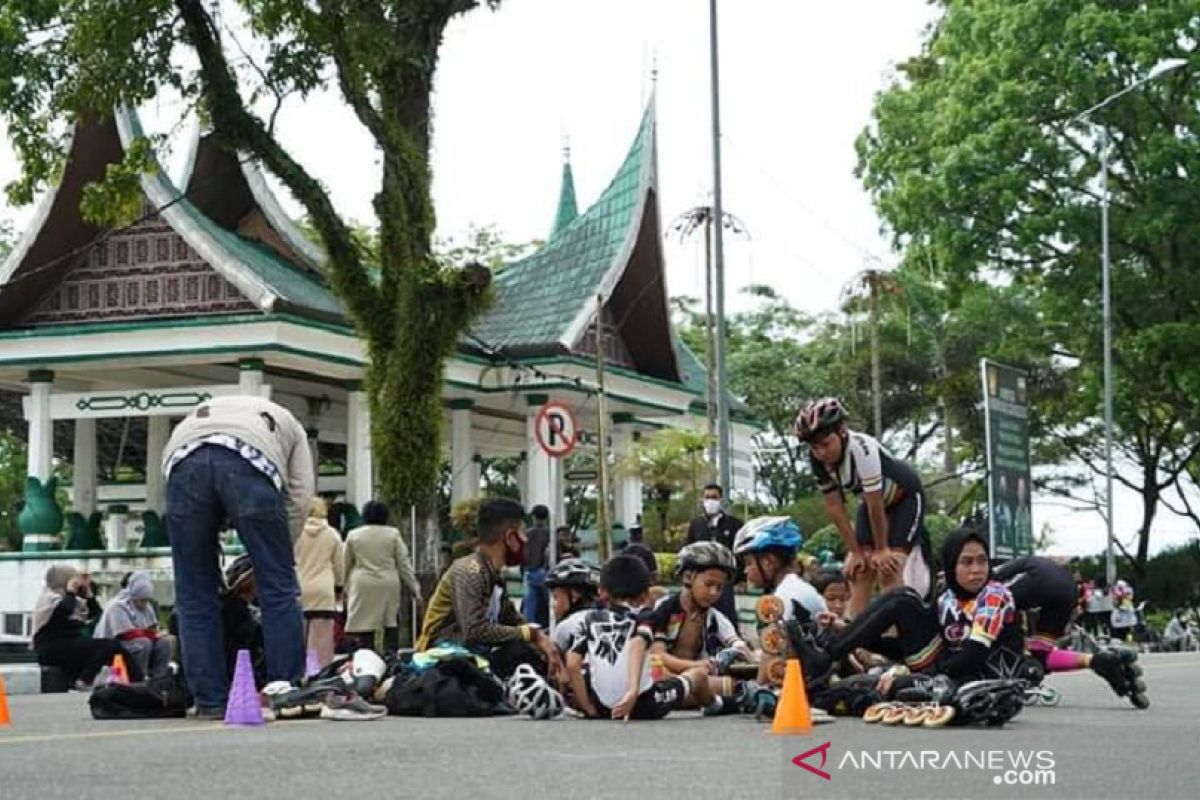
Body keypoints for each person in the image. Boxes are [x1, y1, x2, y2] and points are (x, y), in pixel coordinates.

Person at [163, 395, 312, 719]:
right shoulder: (292, 427)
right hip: (249, 459)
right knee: (279, 590)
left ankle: (210, 701)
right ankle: (284, 692)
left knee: (194, 596)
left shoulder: (198, 415)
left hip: (182, 459)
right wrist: (275, 556)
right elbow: (300, 497)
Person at [794, 525, 1027, 687]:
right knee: (903, 599)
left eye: (982, 561)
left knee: (904, 599)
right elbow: (905, 648)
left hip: (981, 679)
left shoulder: (994, 596)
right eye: (966, 562)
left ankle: (824, 657)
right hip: (944, 669)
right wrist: (850, 632)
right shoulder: (947, 598)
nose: (976, 570)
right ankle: (826, 653)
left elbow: (974, 656)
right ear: (951, 566)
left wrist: (923, 677)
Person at [795, 397, 932, 617]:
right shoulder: (817, 459)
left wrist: (882, 549)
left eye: (826, 443)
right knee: (859, 570)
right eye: (814, 446)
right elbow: (835, 508)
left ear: (841, 430)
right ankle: (853, 638)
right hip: (869, 505)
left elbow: (875, 504)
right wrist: (855, 551)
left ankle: (891, 638)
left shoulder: (861, 448)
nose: (821, 452)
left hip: (903, 499)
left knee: (889, 568)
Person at [416, 498, 559, 680]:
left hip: (475, 658)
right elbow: (474, 630)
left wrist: (541, 640)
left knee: (529, 654)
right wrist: (529, 634)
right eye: (522, 532)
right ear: (509, 537)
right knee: (519, 653)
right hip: (443, 660)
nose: (526, 540)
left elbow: (512, 619)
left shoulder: (494, 576)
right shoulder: (470, 570)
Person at [564, 555, 719, 719]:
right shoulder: (646, 616)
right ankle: (717, 704)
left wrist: (589, 708)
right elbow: (638, 643)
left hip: (604, 707)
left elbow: (572, 662)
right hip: (644, 703)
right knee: (697, 676)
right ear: (646, 593)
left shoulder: (590, 620)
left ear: (601, 591)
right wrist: (632, 691)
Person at [993, 556, 1148, 707]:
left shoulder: (988, 576)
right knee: (1040, 654)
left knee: (994, 627)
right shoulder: (1023, 563)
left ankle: (1021, 670)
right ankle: (1100, 661)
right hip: (1068, 589)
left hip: (1039, 582)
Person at [642, 541, 752, 712]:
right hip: (666, 675)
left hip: (698, 678)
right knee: (656, 673)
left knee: (732, 683)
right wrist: (695, 666)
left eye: (720, 588)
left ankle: (688, 697)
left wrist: (740, 652)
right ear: (688, 577)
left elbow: (738, 645)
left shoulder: (715, 617)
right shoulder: (664, 609)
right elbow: (658, 654)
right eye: (708, 585)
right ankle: (715, 700)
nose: (714, 593)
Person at [344, 500, 422, 654]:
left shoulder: (354, 535)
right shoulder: (393, 534)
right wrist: (415, 588)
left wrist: (341, 587)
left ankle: (367, 660)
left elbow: (345, 563)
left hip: (363, 583)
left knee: (364, 624)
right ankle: (390, 658)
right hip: (388, 582)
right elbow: (404, 563)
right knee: (390, 622)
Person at [33, 566, 126, 689]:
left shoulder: (73, 601)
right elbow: (62, 613)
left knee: (115, 648)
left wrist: (88, 593)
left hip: (69, 644)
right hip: (50, 647)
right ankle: (84, 680)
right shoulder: (49, 598)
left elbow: (96, 614)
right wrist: (71, 591)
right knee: (109, 646)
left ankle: (136, 679)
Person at [733, 517, 826, 622]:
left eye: (748, 563)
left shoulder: (784, 599)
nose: (745, 570)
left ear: (768, 562)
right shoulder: (794, 587)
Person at [294, 497, 346, 667]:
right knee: (322, 644)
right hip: (324, 591)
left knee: (298, 640)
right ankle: (322, 682)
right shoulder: (332, 534)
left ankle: (299, 680)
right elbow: (339, 566)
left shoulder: (296, 533)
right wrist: (339, 587)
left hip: (299, 589)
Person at [95, 570, 174, 680]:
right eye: (142, 601)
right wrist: (150, 635)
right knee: (142, 643)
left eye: (147, 600)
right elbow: (125, 634)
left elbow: (152, 628)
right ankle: (138, 677)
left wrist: (158, 634)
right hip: (116, 644)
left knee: (164, 643)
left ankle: (158, 679)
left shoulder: (147, 608)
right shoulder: (117, 606)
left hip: (141, 640)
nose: (144, 604)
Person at [685, 484, 743, 624]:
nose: (710, 501)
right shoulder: (696, 524)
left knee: (726, 618)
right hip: (701, 581)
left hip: (725, 582)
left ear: (720, 500)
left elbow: (740, 553)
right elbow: (689, 551)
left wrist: (740, 579)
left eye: (714, 497)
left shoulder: (733, 524)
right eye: (707, 497)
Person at [521, 505, 551, 628]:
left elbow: (522, 554)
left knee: (530, 607)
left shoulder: (527, 534)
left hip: (529, 572)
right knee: (551, 604)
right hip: (545, 572)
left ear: (533, 517)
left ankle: (530, 633)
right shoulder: (549, 534)